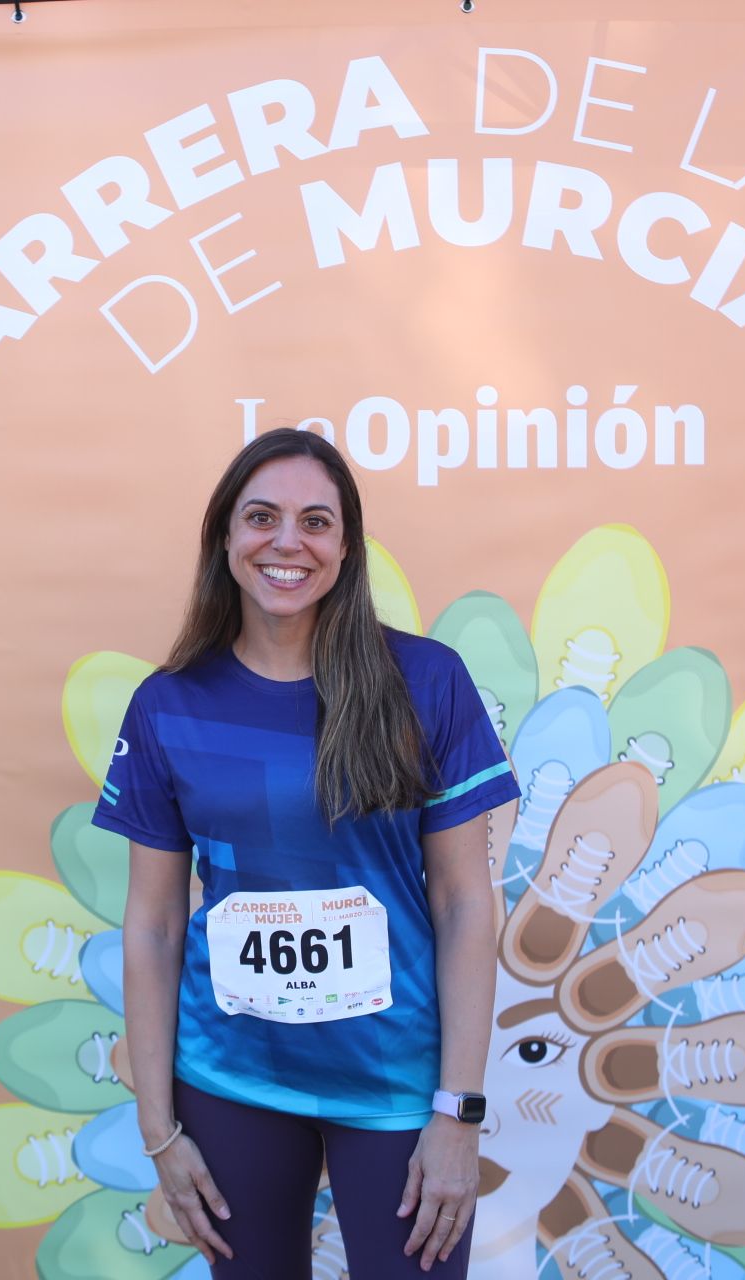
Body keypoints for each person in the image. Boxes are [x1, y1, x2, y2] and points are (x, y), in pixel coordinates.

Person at [92, 429, 520, 1277]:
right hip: (230, 1084)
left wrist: (459, 1113)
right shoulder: (168, 706)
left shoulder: (425, 683)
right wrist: (158, 1131)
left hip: (399, 1084)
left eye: (316, 522)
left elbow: (466, 904)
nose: (288, 542)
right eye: (262, 517)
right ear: (224, 535)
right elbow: (151, 925)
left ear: (346, 548)